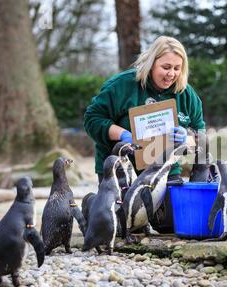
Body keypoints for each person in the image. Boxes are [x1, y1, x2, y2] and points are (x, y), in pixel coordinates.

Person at [84, 36, 206, 185]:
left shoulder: (187, 95)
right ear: (151, 63)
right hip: (119, 170)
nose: (171, 74)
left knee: (170, 207)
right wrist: (123, 135)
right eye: (166, 67)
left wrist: (186, 138)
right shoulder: (121, 85)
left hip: (167, 170)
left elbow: (200, 135)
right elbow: (92, 119)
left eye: (177, 68)